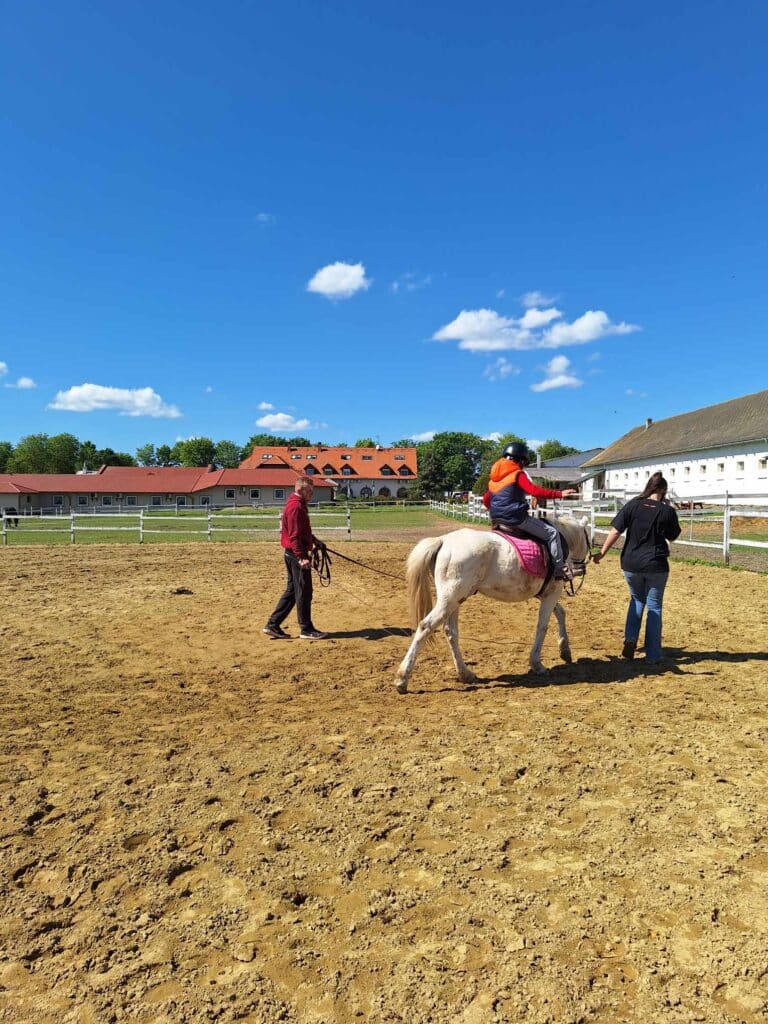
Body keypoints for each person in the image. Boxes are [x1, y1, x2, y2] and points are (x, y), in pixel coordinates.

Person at [593, 471, 681, 664]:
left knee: (636, 600)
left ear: (649, 487)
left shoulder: (632, 505)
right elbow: (673, 536)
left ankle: (631, 639)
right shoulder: (667, 511)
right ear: (664, 491)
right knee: (654, 607)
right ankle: (653, 654)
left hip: (631, 563)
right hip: (656, 564)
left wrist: (602, 553)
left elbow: (615, 531)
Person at [482, 442, 578, 580]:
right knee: (552, 533)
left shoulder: (495, 479)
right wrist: (559, 494)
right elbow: (534, 491)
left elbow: (486, 500)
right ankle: (559, 569)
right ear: (520, 460)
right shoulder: (517, 474)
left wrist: (499, 509)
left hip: (496, 520)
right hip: (516, 519)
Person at [263, 476, 327, 640]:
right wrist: (301, 557)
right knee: (304, 592)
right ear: (300, 490)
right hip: (296, 555)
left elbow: (302, 531)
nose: (312, 494)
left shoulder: (298, 505)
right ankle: (306, 629)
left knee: (293, 591)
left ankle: (273, 624)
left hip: (292, 553)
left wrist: (314, 540)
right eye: (310, 491)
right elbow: (294, 535)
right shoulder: (295, 507)